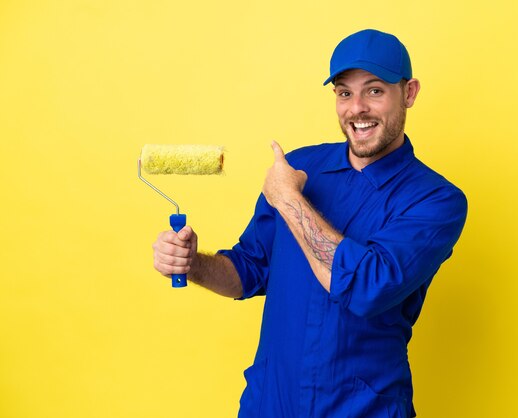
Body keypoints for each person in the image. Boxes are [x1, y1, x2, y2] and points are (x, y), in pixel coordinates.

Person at [152, 29, 468, 418]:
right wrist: (193, 263)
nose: (356, 109)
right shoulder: (303, 167)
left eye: (374, 91)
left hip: (361, 409)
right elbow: (249, 270)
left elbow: (365, 285)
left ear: (409, 93)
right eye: (344, 93)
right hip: (271, 403)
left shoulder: (435, 200)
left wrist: (288, 199)